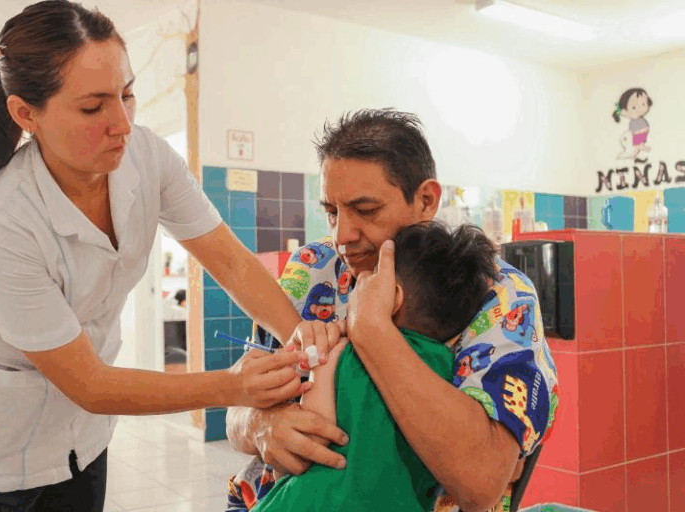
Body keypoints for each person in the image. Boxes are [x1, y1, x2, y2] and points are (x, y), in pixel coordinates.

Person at [0, 2, 333, 510]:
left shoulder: (148, 158)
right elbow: (89, 384)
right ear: (26, 114)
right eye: (93, 108)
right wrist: (234, 386)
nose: (123, 124)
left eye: (128, 94)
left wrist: (302, 347)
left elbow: (231, 262)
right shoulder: (1, 220)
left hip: (79, 441)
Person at [226, 109, 559, 512]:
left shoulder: (493, 296)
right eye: (332, 212)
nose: (341, 236)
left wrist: (372, 331)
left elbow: (481, 483)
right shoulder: (314, 269)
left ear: (425, 200)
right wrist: (257, 425)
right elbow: (240, 397)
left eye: (366, 211)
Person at [252, 222, 499, 511]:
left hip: (317, 501)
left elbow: (310, 438)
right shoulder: (451, 367)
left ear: (393, 298)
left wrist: (325, 352)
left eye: (372, 277)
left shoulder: (340, 354)